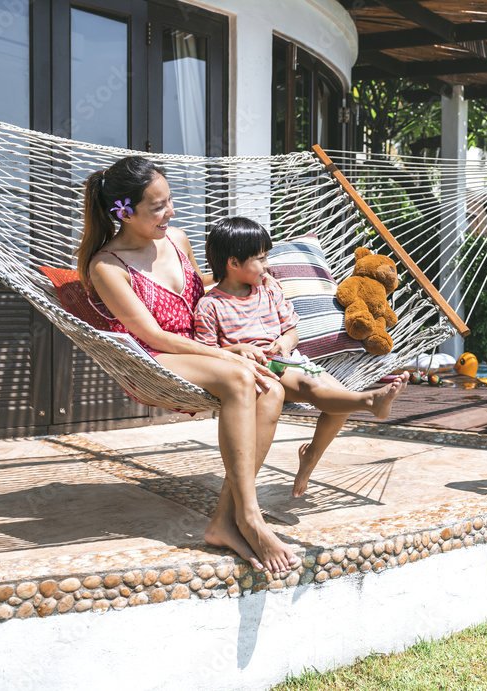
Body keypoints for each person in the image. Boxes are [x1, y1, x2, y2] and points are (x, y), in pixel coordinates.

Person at [78, 156, 296, 575]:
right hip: (154, 363)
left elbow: (207, 293)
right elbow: (154, 336)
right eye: (157, 207)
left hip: (197, 348)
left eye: (169, 201)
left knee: (272, 387)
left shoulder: (176, 239)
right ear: (124, 212)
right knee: (240, 376)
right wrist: (230, 354)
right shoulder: (107, 266)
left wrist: (260, 282)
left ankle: (222, 522)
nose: (170, 213)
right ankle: (250, 519)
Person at [194, 217, 409, 498]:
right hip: (258, 372)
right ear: (233, 263)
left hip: (289, 360)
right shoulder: (210, 305)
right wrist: (237, 350)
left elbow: (292, 331)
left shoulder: (269, 290)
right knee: (314, 389)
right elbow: (205, 353)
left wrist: (284, 341)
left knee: (339, 400)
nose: (267, 265)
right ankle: (369, 401)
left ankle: (310, 456)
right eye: (260, 259)